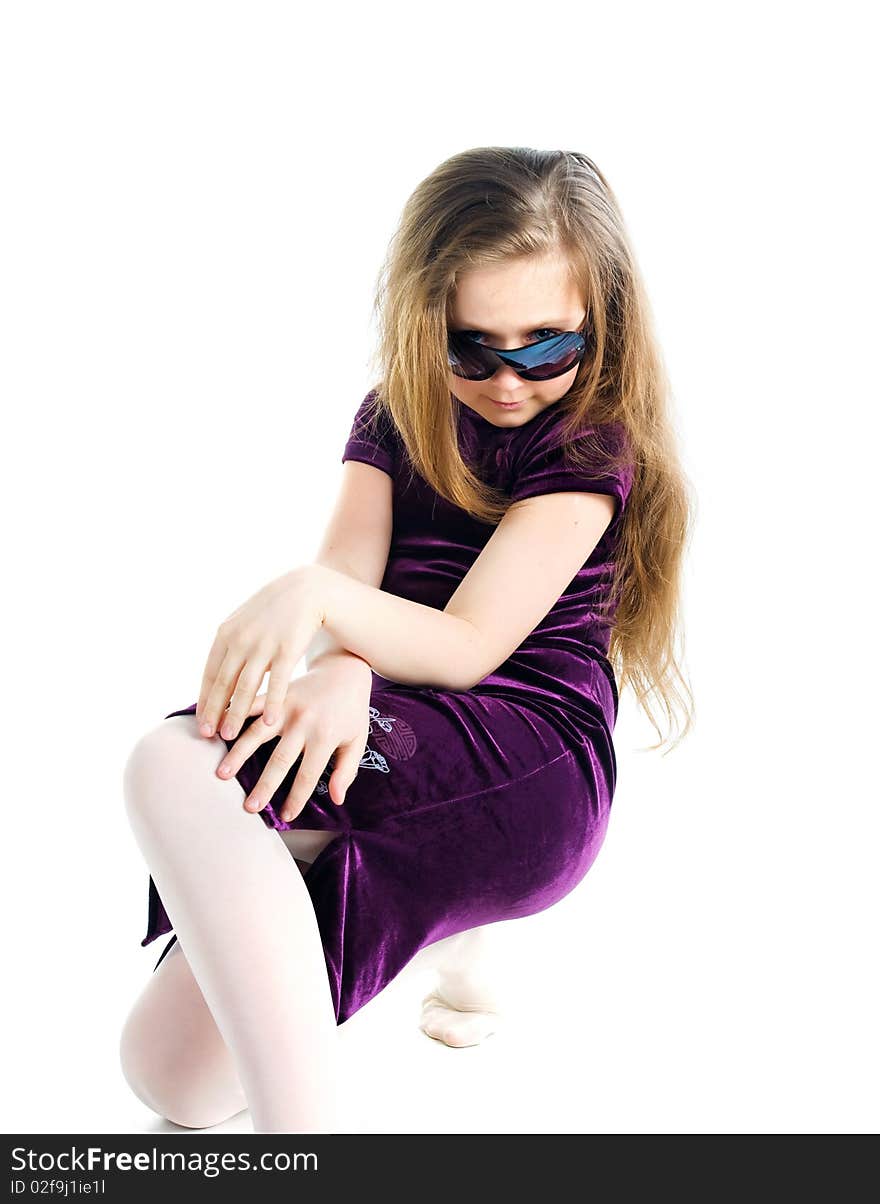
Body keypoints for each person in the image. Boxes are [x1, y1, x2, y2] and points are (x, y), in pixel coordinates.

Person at [118, 146, 695, 1134]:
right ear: (422, 322)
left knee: (174, 766)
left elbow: (469, 643)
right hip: (399, 712)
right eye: (472, 347)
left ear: (602, 322)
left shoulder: (588, 444)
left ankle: (309, 1146)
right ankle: (447, 938)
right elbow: (351, 573)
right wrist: (341, 668)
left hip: (522, 756)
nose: (508, 380)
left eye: (545, 345)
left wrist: (312, 606)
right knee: (169, 1077)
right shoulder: (392, 414)